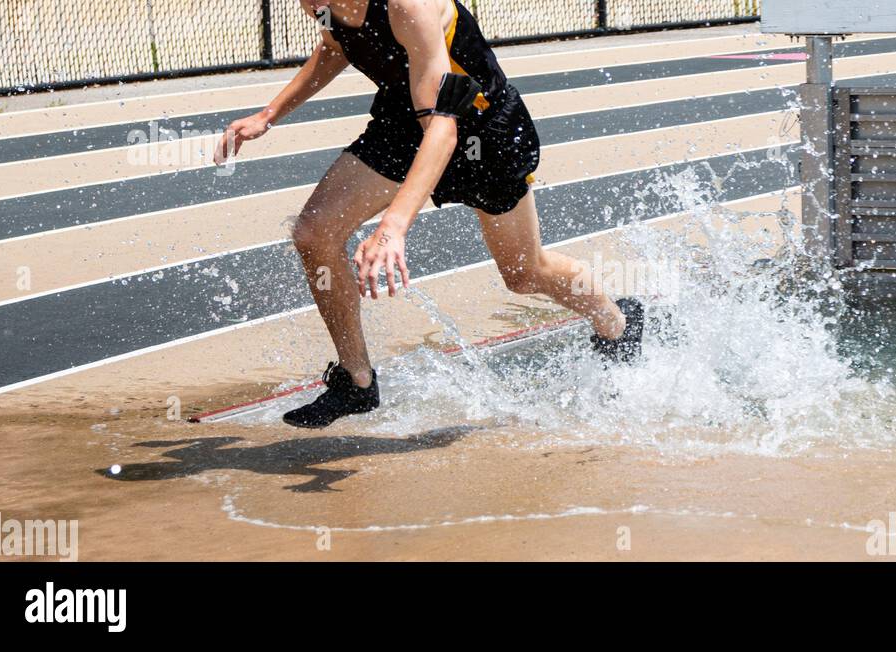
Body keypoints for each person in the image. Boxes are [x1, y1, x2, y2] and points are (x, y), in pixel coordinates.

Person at [216, 0, 644, 429]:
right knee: (314, 232)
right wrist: (269, 114)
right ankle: (357, 380)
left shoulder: (407, 7)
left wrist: (393, 226)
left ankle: (617, 323)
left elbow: (443, 125)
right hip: (403, 122)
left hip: (481, 130)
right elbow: (335, 46)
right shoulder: (323, 7)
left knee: (525, 273)